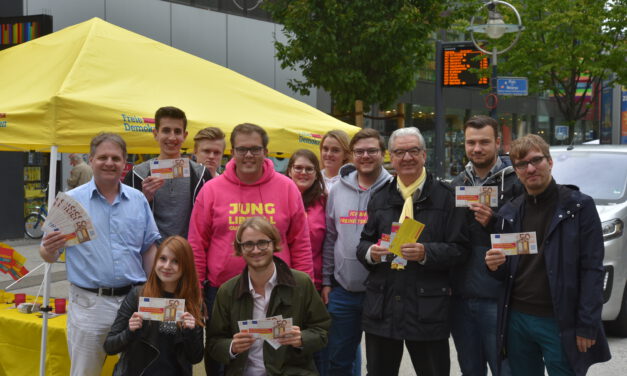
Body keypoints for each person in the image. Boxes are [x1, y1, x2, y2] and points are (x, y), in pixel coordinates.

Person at [188, 122, 314, 375]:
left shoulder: (286, 187)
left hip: (279, 291)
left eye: (255, 149)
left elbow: (300, 241)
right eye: (242, 149)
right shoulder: (211, 190)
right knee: (223, 359)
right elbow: (197, 244)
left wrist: (306, 287)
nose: (248, 155)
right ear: (232, 152)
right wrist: (196, 290)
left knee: (276, 360)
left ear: (266, 151)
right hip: (222, 294)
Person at [485, 134, 611, 376]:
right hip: (517, 319)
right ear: (516, 171)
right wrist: (493, 265)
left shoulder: (579, 207)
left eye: (536, 160)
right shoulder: (509, 212)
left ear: (550, 162)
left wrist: (587, 324)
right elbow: (505, 272)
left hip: (559, 319)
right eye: (522, 164)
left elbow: (593, 269)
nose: (530, 168)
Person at [40, 133, 161, 376]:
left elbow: (149, 248)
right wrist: (49, 249)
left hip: (133, 301)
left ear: (125, 162)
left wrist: (155, 291)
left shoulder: (138, 199)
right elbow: (47, 255)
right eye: (103, 157)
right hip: (90, 304)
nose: (109, 162)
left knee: (137, 369)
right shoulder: (70, 202)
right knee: (86, 371)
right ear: (91, 159)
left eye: (116, 158)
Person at [356, 127, 470, 376]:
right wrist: (371, 253)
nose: (407, 158)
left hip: (427, 309)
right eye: (399, 152)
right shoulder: (379, 198)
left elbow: (461, 250)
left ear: (424, 155)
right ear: (391, 157)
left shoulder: (448, 197)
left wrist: (425, 252)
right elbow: (363, 243)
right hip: (382, 308)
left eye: (413, 151)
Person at [207, 216, 330, 375]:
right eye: (248, 244)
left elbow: (322, 331)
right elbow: (213, 342)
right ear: (240, 249)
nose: (256, 250)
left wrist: (302, 339)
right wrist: (232, 347)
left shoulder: (301, 283)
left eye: (262, 243)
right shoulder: (227, 291)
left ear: (274, 244)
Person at [450, 115, 522, 376]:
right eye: (471, 142)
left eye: (484, 142)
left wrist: (494, 223)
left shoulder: (516, 182)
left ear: (498, 143)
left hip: (498, 296)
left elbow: (528, 241)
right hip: (461, 296)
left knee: (505, 369)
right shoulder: (458, 184)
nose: (476, 148)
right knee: (470, 369)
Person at [322, 128, 392, 376]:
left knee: (379, 364)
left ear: (383, 154)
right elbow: (331, 238)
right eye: (360, 151)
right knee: (338, 360)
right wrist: (327, 281)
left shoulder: (395, 190)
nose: (365, 156)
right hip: (343, 290)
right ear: (351, 155)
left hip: (383, 291)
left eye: (372, 150)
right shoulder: (337, 191)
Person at [104, 236, 204, 376]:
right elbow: (109, 346)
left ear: (186, 266)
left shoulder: (192, 302)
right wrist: (130, 332)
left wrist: (190, 332)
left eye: (175, 261)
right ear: (156, 260)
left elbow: (195, 357)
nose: (167, 266)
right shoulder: (138, 295)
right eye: (163, 259)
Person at [123, 106, 212, 240]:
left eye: (177, 131)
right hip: (151, 255)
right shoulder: (137, 175)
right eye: (166, 130)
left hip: (188, 253)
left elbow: (208, 219)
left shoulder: (201, 175)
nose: (172, 137)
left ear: (185, 136)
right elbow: (124, 218)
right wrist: (143, 199)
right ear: (155, 134)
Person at [286, 149, 327, 292]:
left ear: (317, 175)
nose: (303, 172)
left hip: (315, 282)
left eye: (309, 169)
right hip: (280, 280)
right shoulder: (278, 200)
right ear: (289, 171)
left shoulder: (325, 202)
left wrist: (327, 283)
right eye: (298, 168)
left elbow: (331, 244)